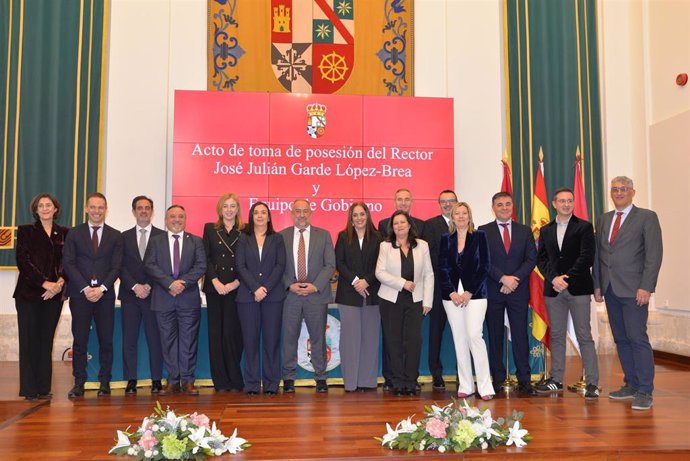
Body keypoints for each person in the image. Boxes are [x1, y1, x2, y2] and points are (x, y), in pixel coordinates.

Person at [593, 176, 662, 411]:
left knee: (637, 338)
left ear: (633, 192)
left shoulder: (646, 217)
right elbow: (599, 255)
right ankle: (631, 384)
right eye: (615, 189)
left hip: (635, 290)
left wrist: (646, 286)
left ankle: (645, 390)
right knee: (621, 339)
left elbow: (654, 255)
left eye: (623, 189)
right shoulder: (604, 219)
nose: (619, 193)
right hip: (611, 289)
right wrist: (598, 284)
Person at [535, 187, 599, 400]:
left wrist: (566, 278)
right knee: (557, 335)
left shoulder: (584, 227)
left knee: (584, 335)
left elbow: (586, 257)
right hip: (553, 290)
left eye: (569, 201)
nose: (566, 204)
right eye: (561, 201)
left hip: (578, 289)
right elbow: (541, 259)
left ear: (573, 203)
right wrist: (554, 278)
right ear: (554, 204)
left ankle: (592, 383)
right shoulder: (545, 230)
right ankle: (556, 380)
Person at [63, 192, 122, 398]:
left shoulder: (116, 235)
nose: (97, 211)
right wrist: (85, 288)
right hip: (80, 295)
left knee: (106, 340)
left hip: (104, 296)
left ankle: (104, 381)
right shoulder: (74, 233)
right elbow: (68, 263)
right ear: (87, 209)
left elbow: (116, 267)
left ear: (106, 210)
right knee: (80, 340)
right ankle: (79, 382)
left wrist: (102, 288)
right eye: (93, 207)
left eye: (101, 207)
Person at [478, 192, 537, 396]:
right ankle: (497, 379)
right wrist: (503, 278)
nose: (504, 207)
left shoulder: (524, 230)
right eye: (500, 204)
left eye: (507, 204)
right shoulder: (483, 231)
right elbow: (483, 260)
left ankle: (524, 379)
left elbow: (531, 259)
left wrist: (514, 280)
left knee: (520, 335)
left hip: (518, 291)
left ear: (513, 206)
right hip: (494, 290)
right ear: (493, 207)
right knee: (495, 336)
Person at [145, 205, 207, 396]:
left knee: (188, 342)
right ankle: (172, 381)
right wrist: (169, 283)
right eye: (173, 216)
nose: (177, 219)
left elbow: (201, 265)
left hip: (188, 298)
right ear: (166, 219)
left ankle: (188, 381)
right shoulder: (155, 241)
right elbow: (150, 264)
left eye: (181, 216)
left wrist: (182, 283)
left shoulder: (195, 241)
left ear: (185, 219)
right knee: (167, 341)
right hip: (164, 298)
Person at [13, 193, 68, 400]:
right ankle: (29, 389)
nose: (45, 208)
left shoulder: (64, 233)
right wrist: (45, 283)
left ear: (56, 209)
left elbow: (68, 262)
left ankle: (43, 387)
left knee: (46, 340)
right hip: (29, 294)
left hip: (54, 296)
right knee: (29, 341)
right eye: (41, 205)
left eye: (49, 205)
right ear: (36, 210)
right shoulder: (26, 231)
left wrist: (59, 284)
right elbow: (23, 261)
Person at [439, 202, 494, 400]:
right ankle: (466, 385)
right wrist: (452, 292)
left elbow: (485, 266)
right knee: (459, 339)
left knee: (474, 336)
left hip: (476, 295)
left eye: (464, 213)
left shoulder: (480, 236)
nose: (461, 216)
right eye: (457, 213)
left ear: (469, 216)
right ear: (452, 217)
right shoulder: (446, 239)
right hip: (452, 297)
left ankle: (485, 387)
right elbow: (442, 268)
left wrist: (469, 291)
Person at [280, 199, 336, 393]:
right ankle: (288, 377)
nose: (301, 215)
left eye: (305, 211)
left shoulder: (324, 235)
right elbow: (278, 266)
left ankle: (321, 376)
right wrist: (290, 285)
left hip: (316, 296)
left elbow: (330, 264)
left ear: (311, 213)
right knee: (289, 337)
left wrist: (315, 286)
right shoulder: (282, 236)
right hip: (291, 296)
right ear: (292, 212)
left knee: (318, 337)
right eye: (298, 211)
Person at [376, 210, 433, 396]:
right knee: (394, 341)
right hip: (391, 299)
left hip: (416, 300)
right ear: (392, 227)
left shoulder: (422, 245)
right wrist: (403, 283)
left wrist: (428, 301)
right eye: (395, 223)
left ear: (409, 225)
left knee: (413, 341)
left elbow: (429, 274)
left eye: (403, 222)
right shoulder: (385, 246)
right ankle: (398, 382)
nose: (399, 226)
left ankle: (411, 380)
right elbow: (380, 273)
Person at [236, 201, 286, 396]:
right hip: (248, 297)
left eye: (263, 212)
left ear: (269, 216)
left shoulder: (277, 238)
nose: (259, 216)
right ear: (251, 216)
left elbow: (280, 265)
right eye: (256, 212)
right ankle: (252, 384)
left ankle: (272, 383)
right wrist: (255, 288)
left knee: (272, 341)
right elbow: (240, 266)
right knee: (250, 342)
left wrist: (265, 288)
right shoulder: (243, 239)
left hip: (273, 297)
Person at [118, 195, 164, 395]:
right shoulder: (123, 236)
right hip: (130, 295)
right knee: (129, 340)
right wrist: (136, 286)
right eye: (140, 208)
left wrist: (149, 286)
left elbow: (164, 267)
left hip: (155, 296)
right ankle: (131, 380)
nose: (143, 211)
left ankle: (156, 380)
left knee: (155, 339)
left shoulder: (162, 236)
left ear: (152, 211)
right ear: (134, 211)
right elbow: (119, 266)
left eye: (147, 208)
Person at [335, 202, 383, 392]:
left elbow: (382, 264)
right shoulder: (342, 236)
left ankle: (367, 381)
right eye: (355, 215)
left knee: (370, 339)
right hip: (349, 294)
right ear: (351, 218)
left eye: (362, 214)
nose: (359, 218)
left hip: (372, 293)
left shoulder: (379, 237)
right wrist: (356, 281)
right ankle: (351, 383)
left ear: (368, 215)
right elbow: (339, 261)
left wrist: (367, 281)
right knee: (350, 340)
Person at [202, 193, 244, 393]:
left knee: (232, 333)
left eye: (233, 206)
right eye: (225, 206)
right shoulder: (210, 229)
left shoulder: (245, 231)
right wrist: (215, 280)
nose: (229, 209)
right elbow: (206, 258)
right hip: (215, 288)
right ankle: (220, 382)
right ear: (220, 209)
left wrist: (237, 282)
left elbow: (249, 261)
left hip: (236, 288)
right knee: (216, 334)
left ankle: (235, 379)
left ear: (238, 209)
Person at [422, 189, 458, 391]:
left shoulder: (466, 224)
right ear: (439, 204)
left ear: (457, 202)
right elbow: (430, 256)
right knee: (436, 332)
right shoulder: (430, 225)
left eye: (451, 201)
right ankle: (436, 374)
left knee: (462, 332)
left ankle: (463, 373)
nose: (447, 204)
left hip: (461, 289)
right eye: (443, 201)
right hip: (438, 288)